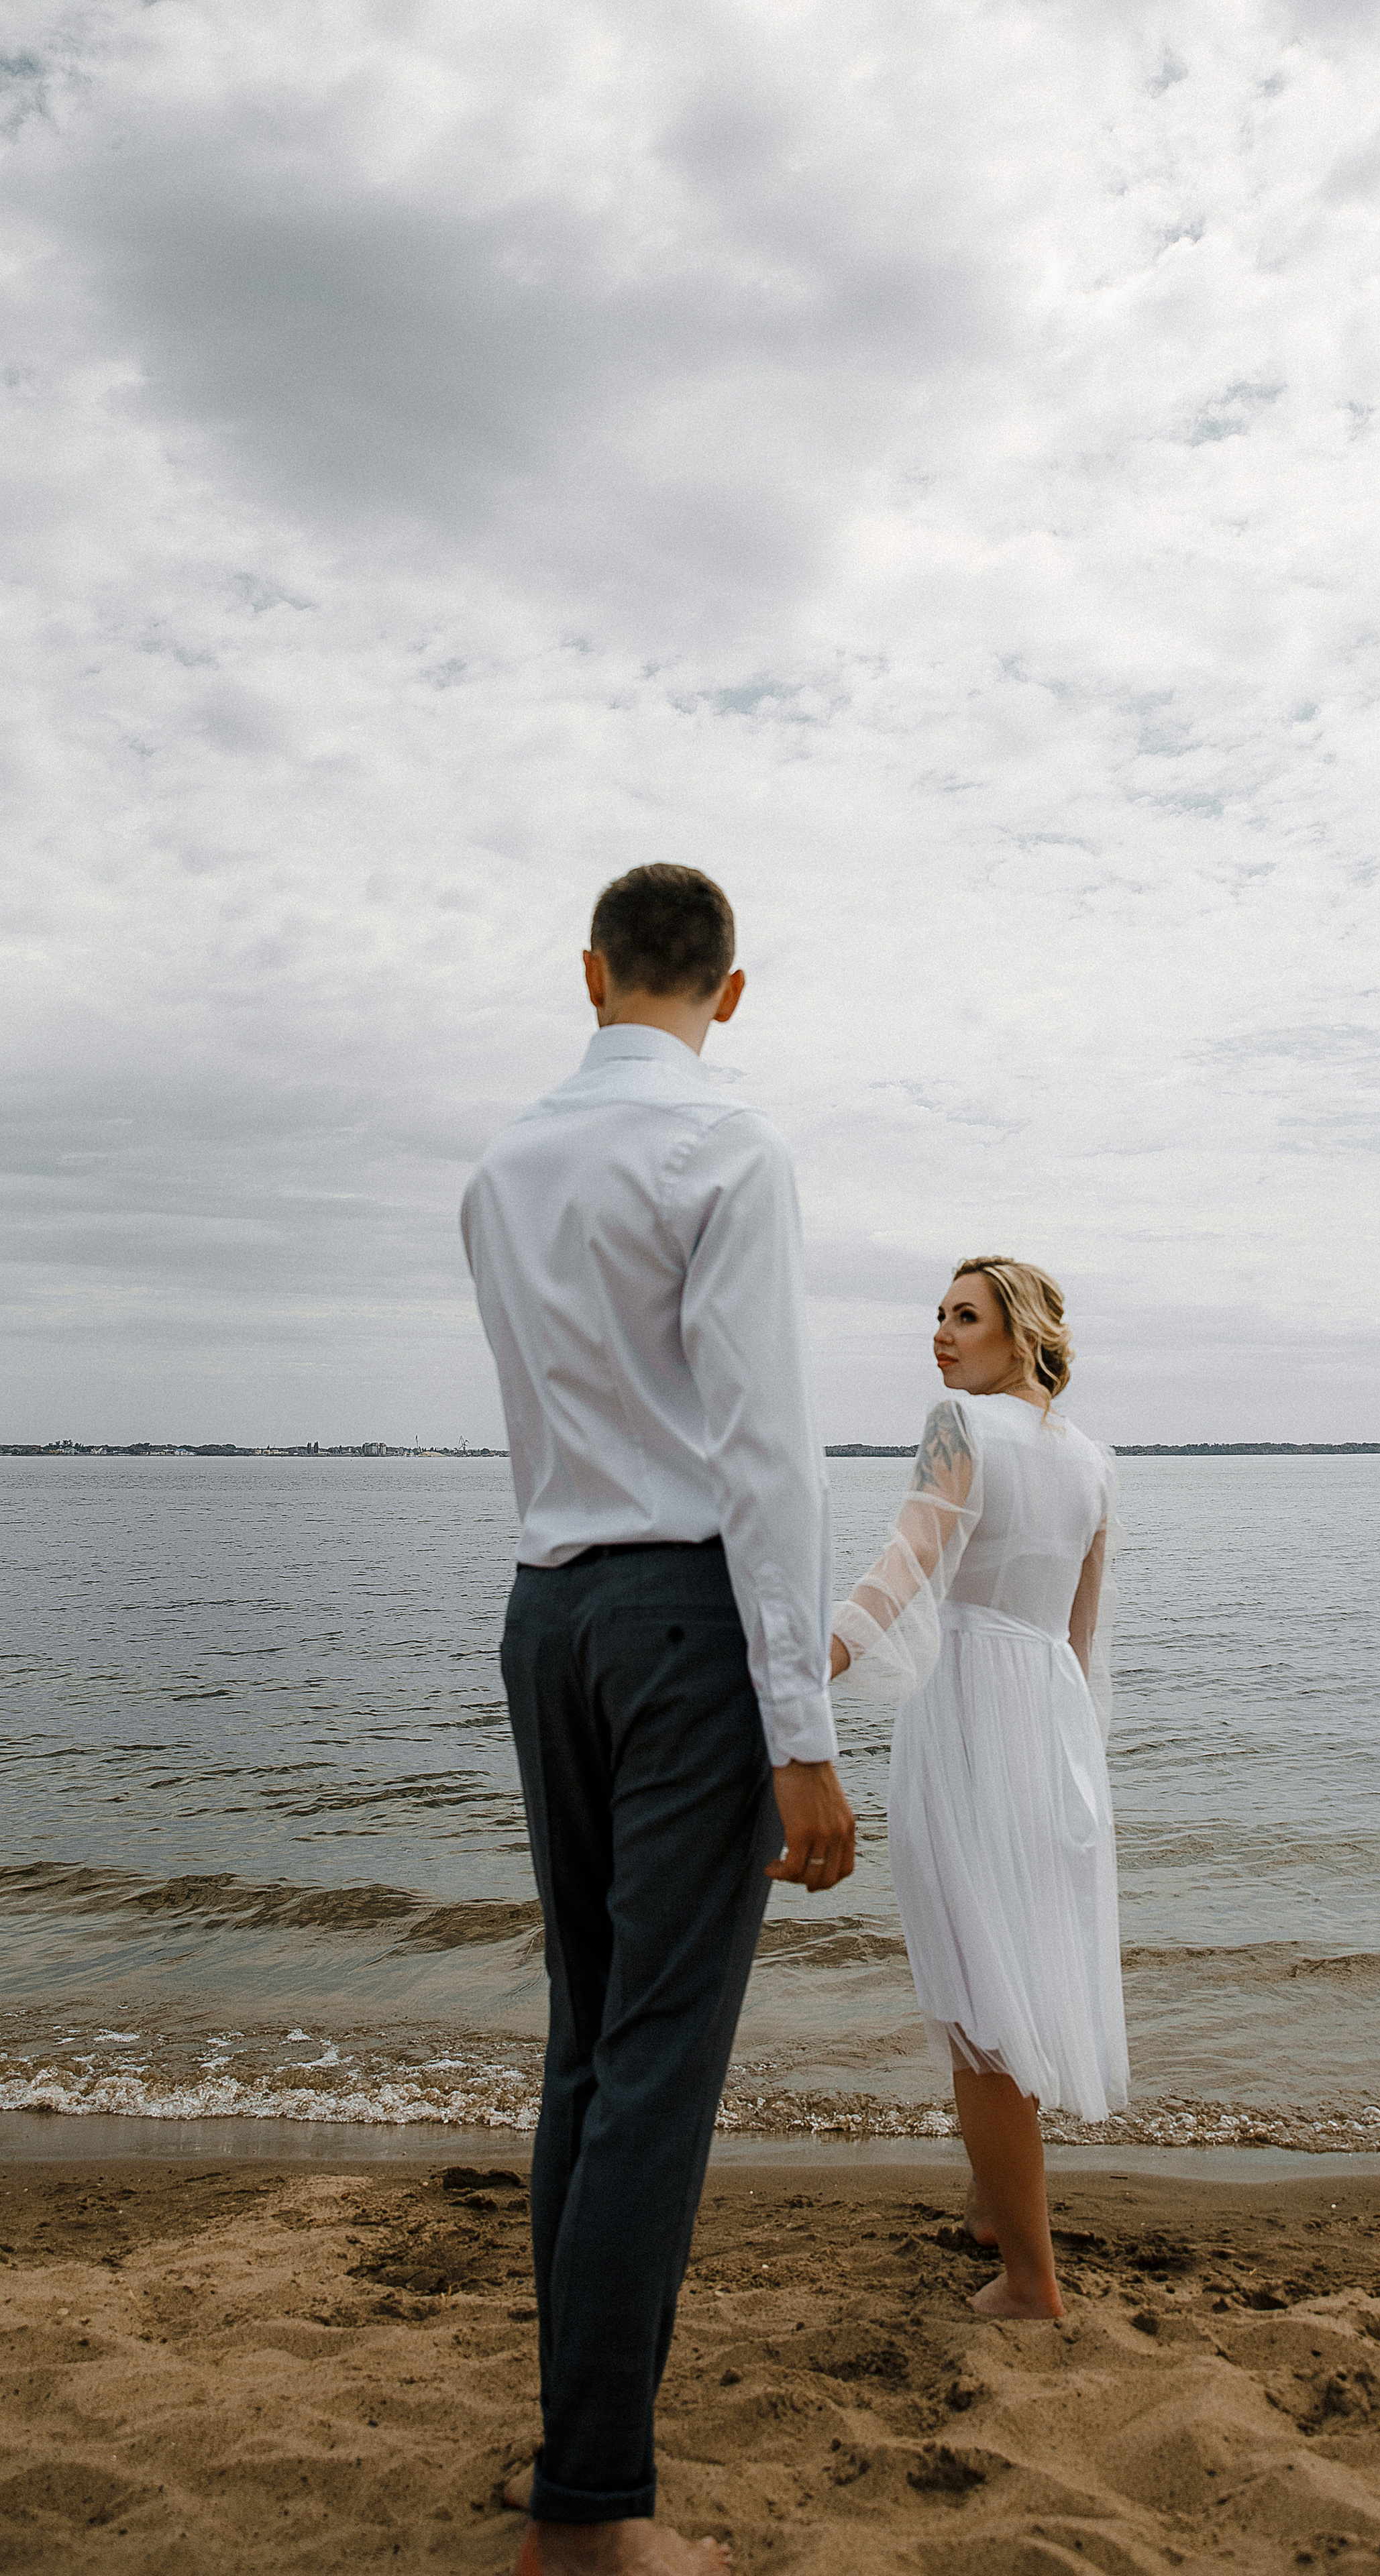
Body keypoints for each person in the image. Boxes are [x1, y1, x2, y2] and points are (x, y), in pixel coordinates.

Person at [461, 864, 856, 2576]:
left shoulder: (502, 1168)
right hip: (686, 1616)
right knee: (657, 2067)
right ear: (733, 992)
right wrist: (807, 1734)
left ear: (591, 972)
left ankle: (575, 2448)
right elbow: (763, 1456)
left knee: (587, 2042)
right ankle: (593, 2509)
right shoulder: (724, 1150)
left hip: (547, 1612)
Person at [829, 1257, 1126, 2321]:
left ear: (1024, 1333)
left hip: (964, 1713)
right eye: (941, 1317)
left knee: (975, 2001)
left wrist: (804, 1665)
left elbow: (901, 1569)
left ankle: (1031, 2284)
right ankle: (994, 2209)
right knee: (1015, 1966)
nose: (944, 1336)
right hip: (1046, 1726)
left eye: (967, 1316)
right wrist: (1073, 1768)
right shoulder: (1092, 1461)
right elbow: (1079, 1642)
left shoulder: (958, 1427)